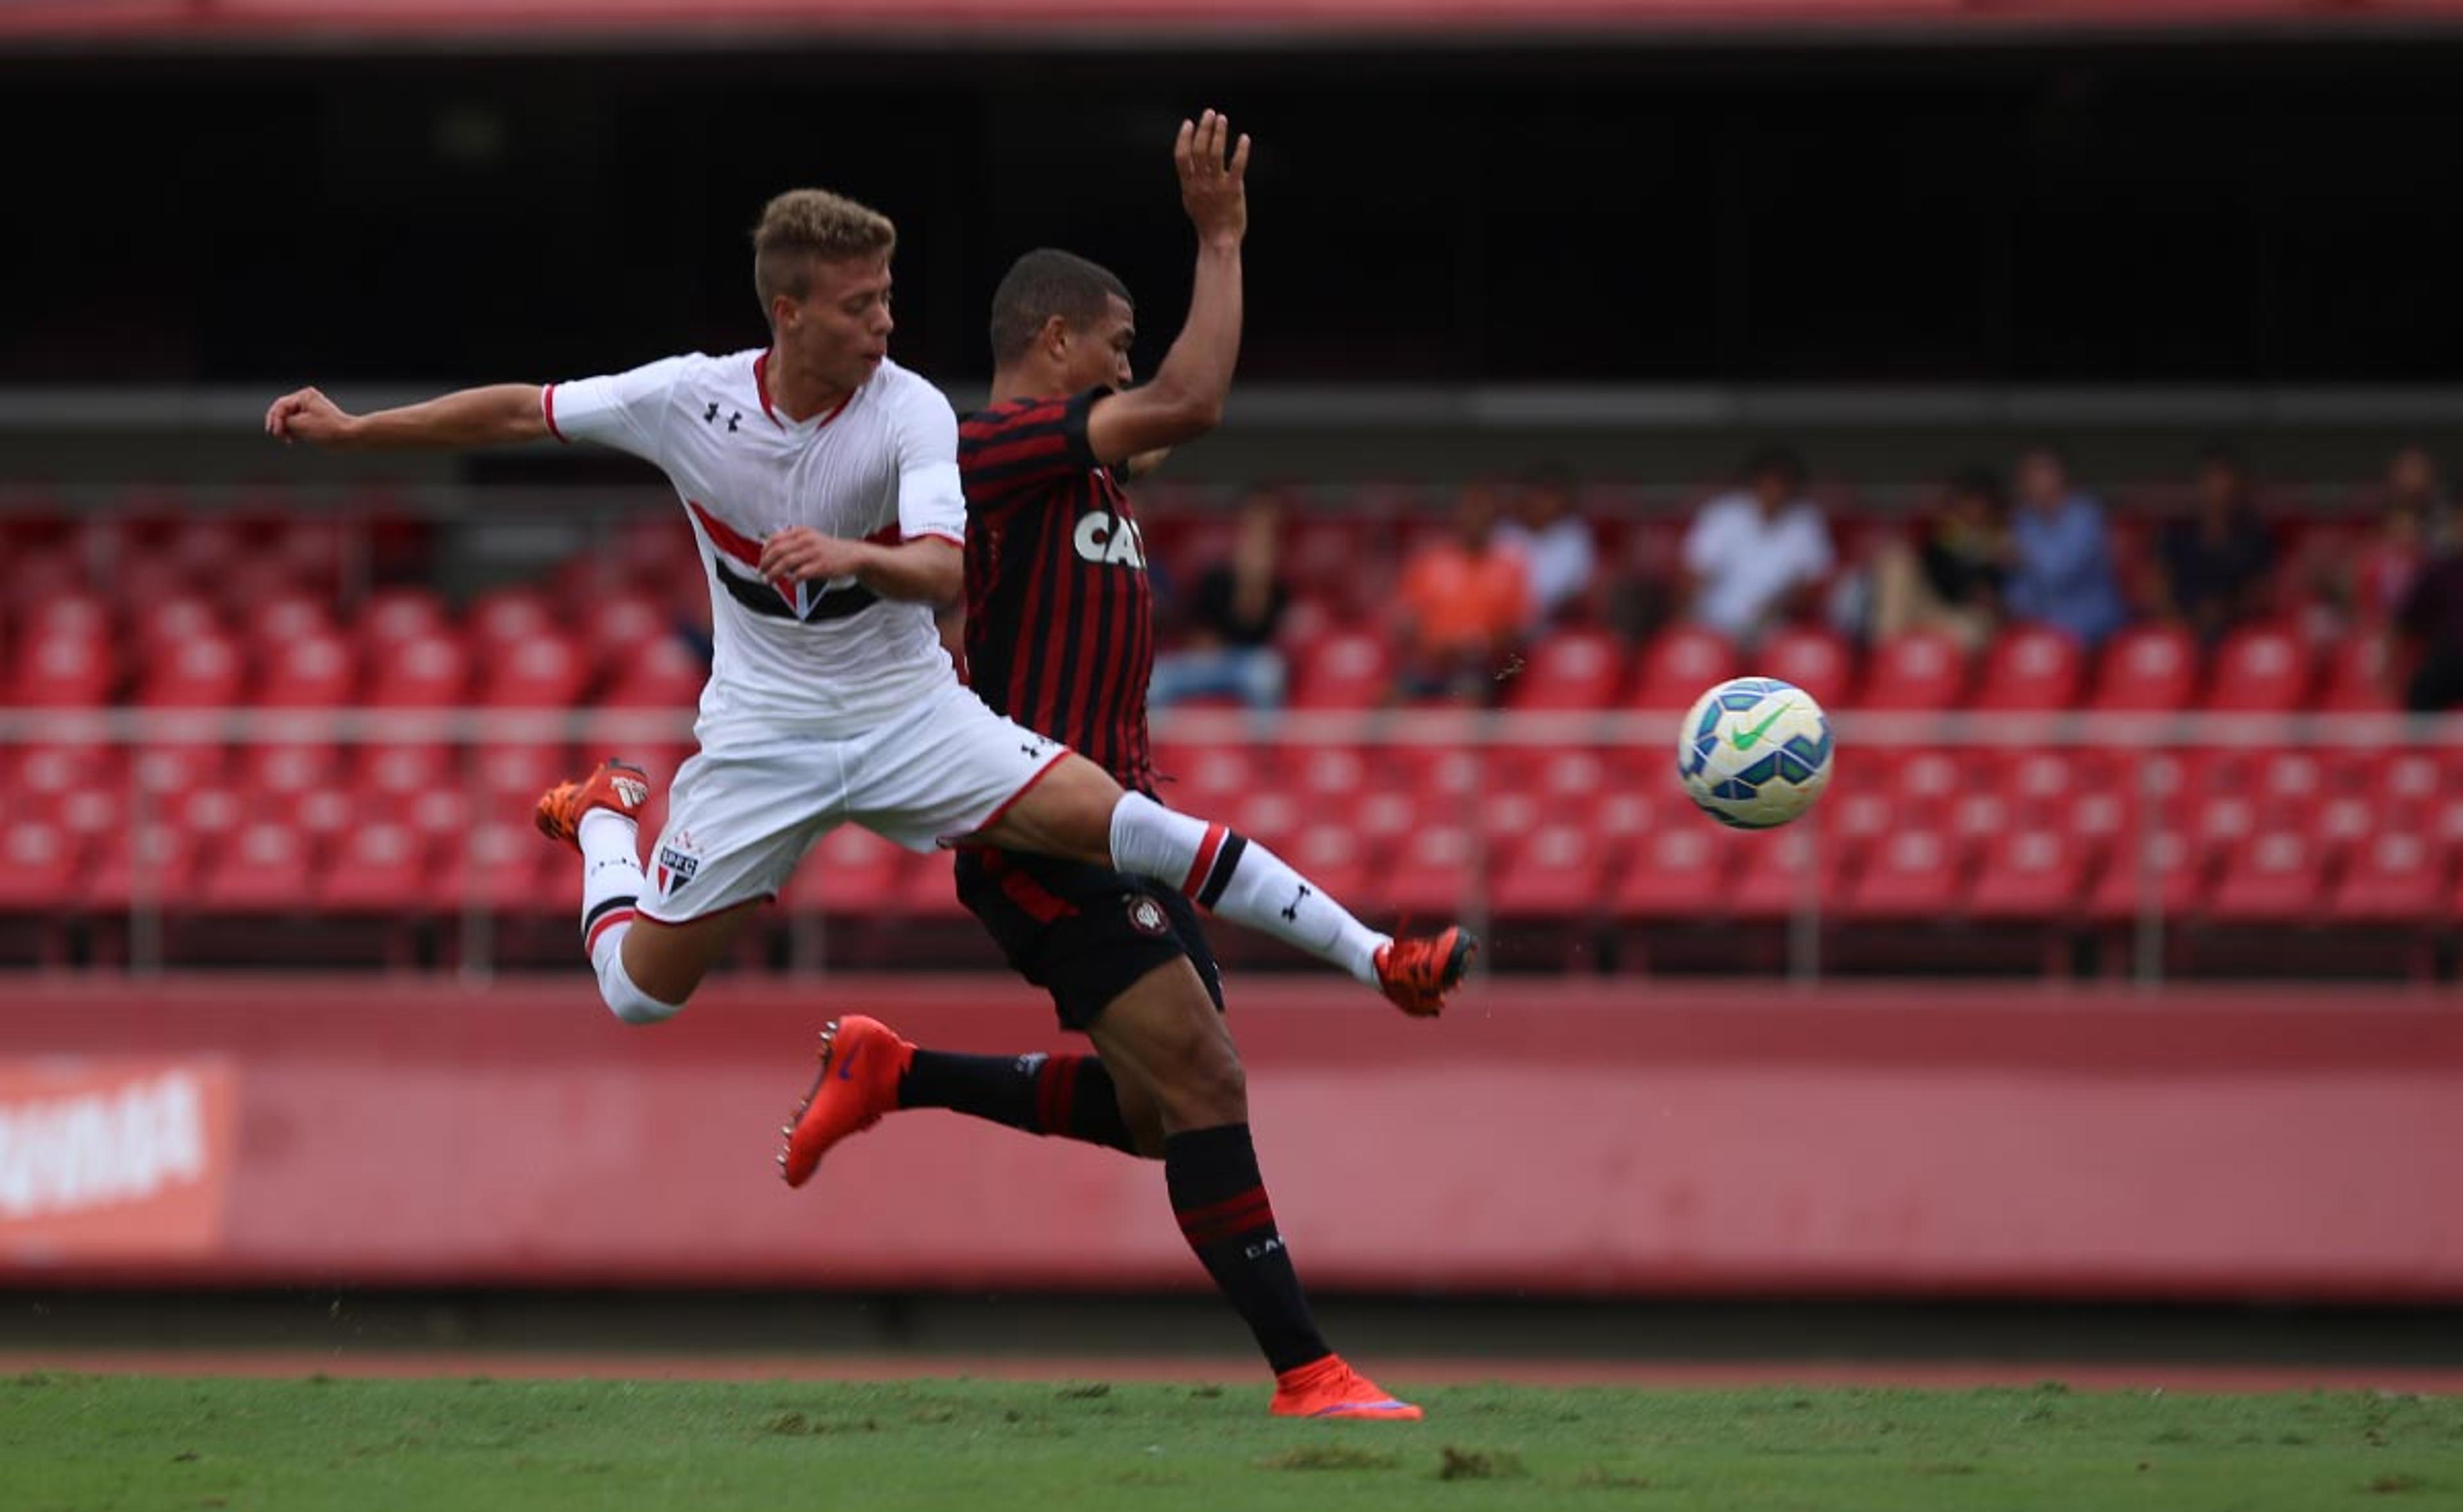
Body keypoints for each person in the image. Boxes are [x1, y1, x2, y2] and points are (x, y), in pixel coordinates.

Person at [261, 124, 1468, 1104]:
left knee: (1132, 819)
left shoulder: (911, 415)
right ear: (787, 313)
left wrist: (851, 552)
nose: (885, 325)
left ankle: (1381, 957)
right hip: (763, 735)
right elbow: (522, 411)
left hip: (906, 714)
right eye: (858, 307)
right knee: (636, 992)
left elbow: (946, 573)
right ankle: (604, 825)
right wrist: (365, 430)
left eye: (889, 299)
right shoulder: (687, 399)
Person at [768, 115, 1464, 1423]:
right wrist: (1218, 239)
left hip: (1117, 833)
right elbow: (1192, 400)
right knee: (1205, 1079)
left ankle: (896, 1072)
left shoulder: (1083, 476)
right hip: (1038, 839)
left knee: (1160, 1116)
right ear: (1052, 346)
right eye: (1114, 345)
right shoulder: (996, 451)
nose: (1131, 370)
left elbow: (1177, 411)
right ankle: (1308, 1372)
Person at [1147, 485, 1291, 711]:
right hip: (1206, 662)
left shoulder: (1278, 588)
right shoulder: (1214, 578)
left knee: (1266, 674)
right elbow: (1195, 631)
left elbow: (1255, 627)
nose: (1253, 551)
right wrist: (1204, 646)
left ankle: (1264, 746)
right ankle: (1154, 746)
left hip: (1246, 663)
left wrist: (1253, 583)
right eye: (1249, 543)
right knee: (1157, 681)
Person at [1680, 446, 1833, 646]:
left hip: (1776, 627)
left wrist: (1782, 603)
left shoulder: (1806, 522)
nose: (1774, 491)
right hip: (1716, 622)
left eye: (1781, 484)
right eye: (1768, 483)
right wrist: (1686, 620)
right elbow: (1693, 573)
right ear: (1754, 483)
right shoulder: (1724, 514)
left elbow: (1815, 582)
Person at [1392, 482, 1530, 701]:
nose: (1475, 519)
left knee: (1468, 692)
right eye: (1470, 511)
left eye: (1482, 513)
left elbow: (1516, 630)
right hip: (1433, 662)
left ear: (1494, 520)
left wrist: (1476, 648)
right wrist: (1431, 647)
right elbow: (1408, 619)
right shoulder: (1430, 561)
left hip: (1487, 669)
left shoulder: (1511, 567)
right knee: (1390, 696)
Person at [1868, 466, 2008, 649]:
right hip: (1928, 608)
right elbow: (1938, 575)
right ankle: (1885, 657)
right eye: (1965, 500)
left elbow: (1998, 597)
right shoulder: (1944, 531)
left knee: (1971, 633)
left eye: (1977, 502)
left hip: (1965, 618)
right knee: (1895, 560)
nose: (1971, 508)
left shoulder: (2005, 538)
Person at [2004, 445, 2127, 648]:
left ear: (2060, 476)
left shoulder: (2085, 515)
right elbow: (2018, 585)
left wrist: (2023, 553)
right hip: (2040, 619)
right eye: (2027, 477)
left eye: (2040, 474)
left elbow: (2059, 572)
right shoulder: (2024, 518)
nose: (2032, 483)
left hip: (2089, 616)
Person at [2155, 444, 2274, 645]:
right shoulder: (2178, 531)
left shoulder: (2255, 537)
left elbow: (2262, 590)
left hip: (2238, 632)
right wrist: (2177, 621)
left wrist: (2227, 612)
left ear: (2239, 487)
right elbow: (2155, 582)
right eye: (2212, 479)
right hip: (2182, 627)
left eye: (2225, 480)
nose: (2219, 490)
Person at [1493, 464, 1597, 627]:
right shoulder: (1505, 533)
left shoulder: (1575, 536)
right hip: (1507, 625)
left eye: (1550, 495)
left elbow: (1579, 590)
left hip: (1555, 626)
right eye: (1538, 493)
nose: (1542, 502)